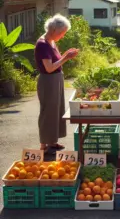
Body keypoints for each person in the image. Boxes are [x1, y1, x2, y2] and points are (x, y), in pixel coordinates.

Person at [34, 14, 79, 154]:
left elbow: (56, 61)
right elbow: (49, 68)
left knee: (57, 110)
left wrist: (65, 55)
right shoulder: (42, 44)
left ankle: (52, 142)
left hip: (56, 79)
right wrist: (66, 57)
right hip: (48, 81)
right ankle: (43, 144)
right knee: (48, 111)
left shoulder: (52, 42)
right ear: (53, 30)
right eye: (62, 33)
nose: (63, 36)